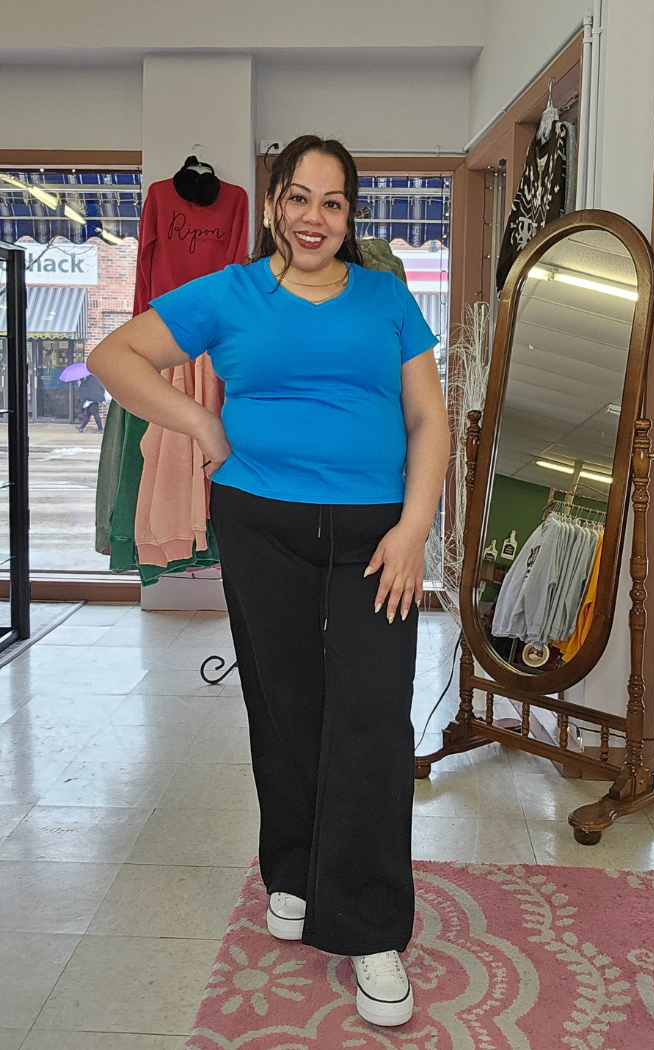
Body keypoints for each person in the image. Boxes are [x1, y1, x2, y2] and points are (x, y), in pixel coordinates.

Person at [88, 135, 450, 1028]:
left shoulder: (388, 298)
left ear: (351, 214)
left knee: (368, 717)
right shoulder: (232, 292)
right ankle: (291, 870)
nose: (312, 217)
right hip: (260, 526)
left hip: (376, 538)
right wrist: (200, 427)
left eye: (331, 202)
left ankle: (369, 928)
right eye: (297, 197)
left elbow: (429, 418)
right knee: (284, 706)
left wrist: (415, 530)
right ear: (276, 207)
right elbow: (115, 359)